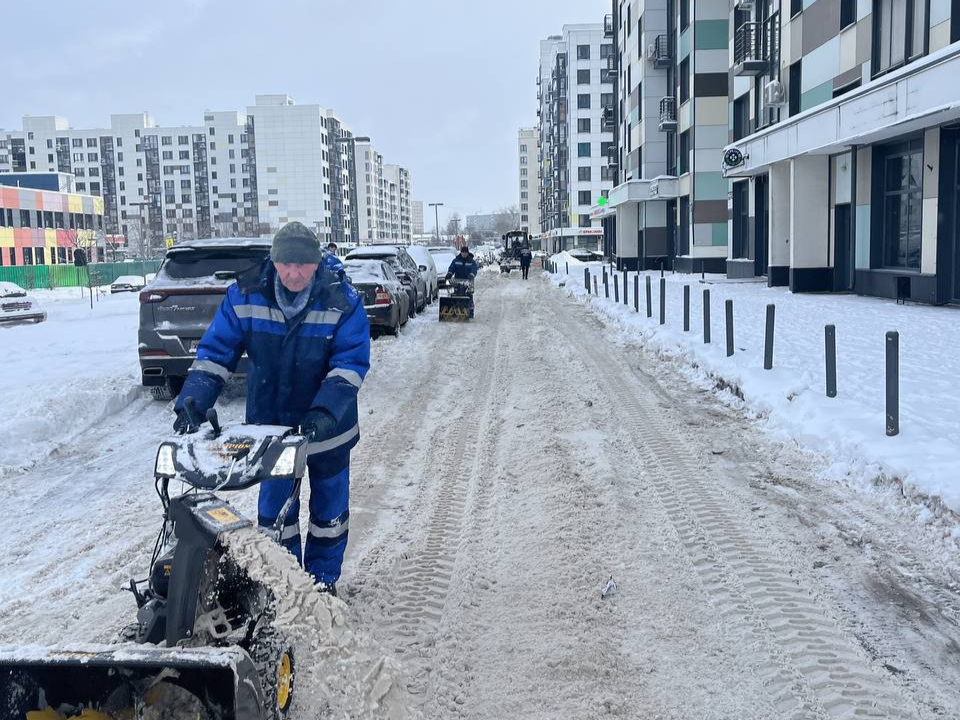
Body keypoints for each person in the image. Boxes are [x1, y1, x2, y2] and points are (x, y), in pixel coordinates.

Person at [173, 221, 370, 597]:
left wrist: (324, 411)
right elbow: (216, 353)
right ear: (274, 261)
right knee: (275, 512)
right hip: (272, 428)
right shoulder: (245, 295)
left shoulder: (341, 299)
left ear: (317, 263)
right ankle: (285, 584)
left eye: (303, 265)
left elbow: (349, 364)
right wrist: (193, 401)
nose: (294, 273)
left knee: (329, 512)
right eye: (286, 264)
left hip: (329, 427)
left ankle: (322, 584)